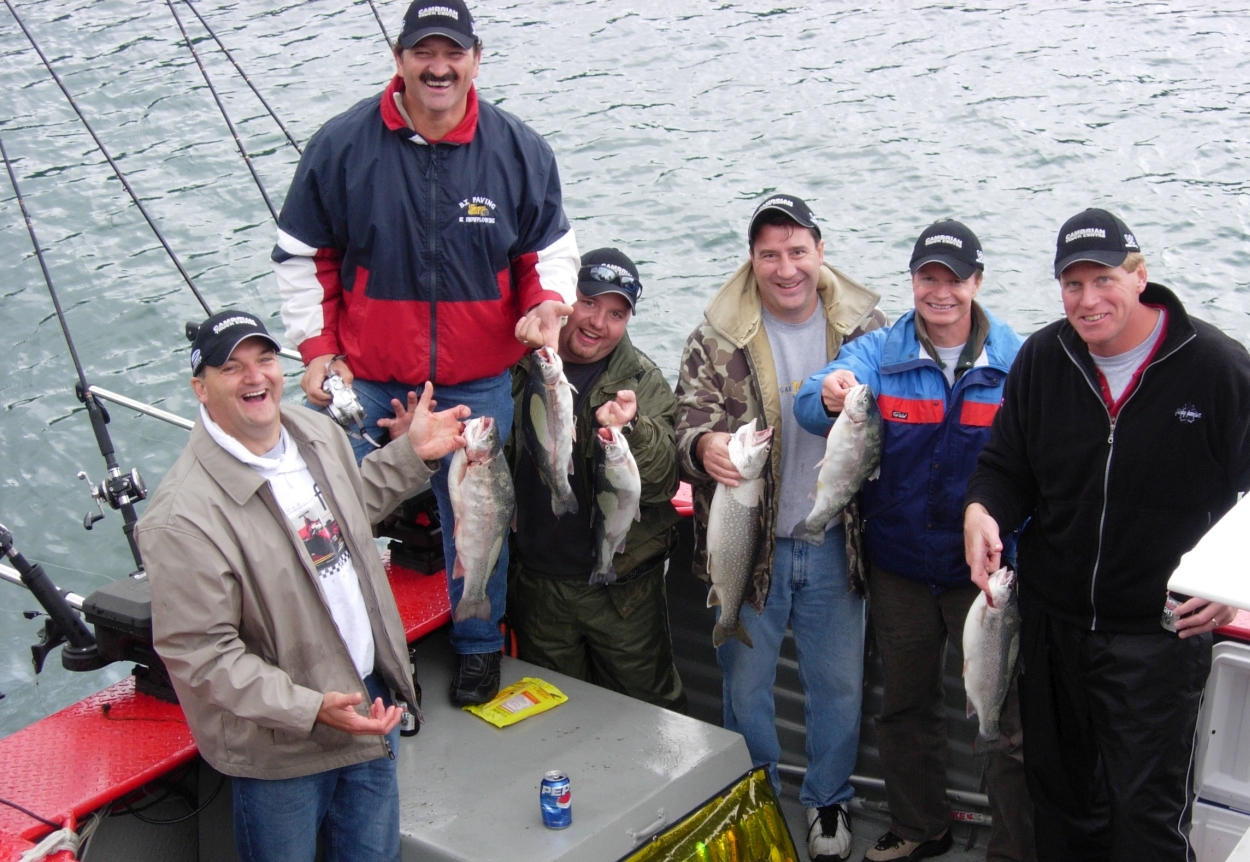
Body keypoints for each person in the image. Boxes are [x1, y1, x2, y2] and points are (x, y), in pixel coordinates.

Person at [270, 0, 579, 705]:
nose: (438, 67)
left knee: (482, 517)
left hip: (478, 383)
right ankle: (338, 656)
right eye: (423, 52)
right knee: (327, 518)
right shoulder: (342, 145)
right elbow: (301, 257)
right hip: (368, 381)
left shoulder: (519, 149)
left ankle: (477, 643)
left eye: (452, 52)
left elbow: (549, 250)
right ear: (399, 56)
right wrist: (317, 351)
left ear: (475, 56)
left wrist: (546, 302)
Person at [964, 207, 1250, 861]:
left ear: (1140, 276)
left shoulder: (1216, 368)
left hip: (1158, 637)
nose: (1088, 300)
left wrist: (1236, 586)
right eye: (1072, 284)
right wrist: (981, 512)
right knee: (1061, 806)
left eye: (1104, 280)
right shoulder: (1043, 357)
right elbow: (1006, 467)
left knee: (1142, 820)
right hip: (1052, 626)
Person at [136, 311, 469, 862]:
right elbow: (199, 654)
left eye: (265, 359)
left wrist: (412, 454)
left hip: (369, 705)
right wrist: (308, 708)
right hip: (283, 748)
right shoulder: (181, 518)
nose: (255, 377)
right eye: (231, 367)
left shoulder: (313, 430)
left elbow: (349, 507)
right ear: (200, 389)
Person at [795, 221, 1033, 862]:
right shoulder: (878, 352)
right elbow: (811, 408)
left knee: (1009, 726)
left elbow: (1042, 471)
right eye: (928, 277)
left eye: (954, 279)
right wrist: (827, 391)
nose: (940, 292)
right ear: (912, 282)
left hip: (984, 578)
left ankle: (1014, 851)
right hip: (898, 567)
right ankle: (921, 826)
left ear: (977, 282)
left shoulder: (1017, 362)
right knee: (904, 706)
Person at [675, 195, 886, 862]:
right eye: (770, 254)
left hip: (835, 546)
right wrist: (701, 446)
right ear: (753, 259)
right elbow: (685, 417)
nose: (785, 267)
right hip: (746, 548)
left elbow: (907, 413)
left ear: (820, 251)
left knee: (839, 688)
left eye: (797, 251)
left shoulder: (868, 328)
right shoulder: (717, 332)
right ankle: (758, 795)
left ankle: (829, 800)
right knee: (745, 689)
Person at [507, 248, 685, 712]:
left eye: (616, 313)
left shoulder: (642, 379)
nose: (597, 323)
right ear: (565, 298)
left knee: (649, 712)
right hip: (537, 586)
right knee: (554, 719)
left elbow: (664, 480)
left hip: (623, 592)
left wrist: (633, 429)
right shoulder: (516, 360)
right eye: (588, 302)